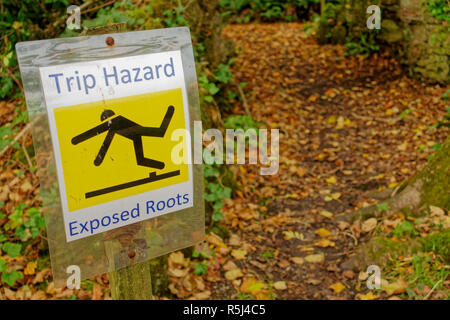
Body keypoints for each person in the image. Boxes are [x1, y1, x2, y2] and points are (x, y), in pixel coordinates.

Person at [72, 106, 175, 170]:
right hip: (135, 134)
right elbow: (106, 137)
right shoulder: (113, 124)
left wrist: (77, 140)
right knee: (141, 159)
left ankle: (170, 113)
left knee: (159, 133)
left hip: (136, 131)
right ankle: (161, 166)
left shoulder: (113, 122)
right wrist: (99, 157)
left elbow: (99, 133)